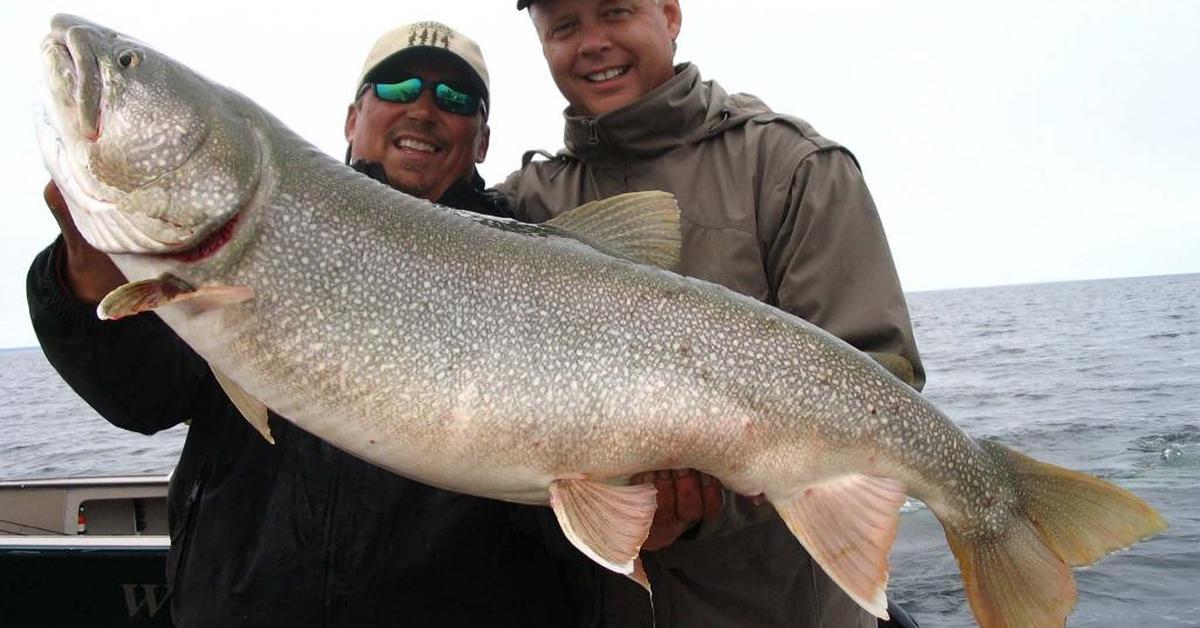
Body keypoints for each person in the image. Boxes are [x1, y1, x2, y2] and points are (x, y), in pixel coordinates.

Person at [27, 21, 585, 628]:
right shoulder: (237, 239)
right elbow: (142, 397)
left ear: (481, 140)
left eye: (454, 99)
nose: (423, 109)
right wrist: (81, 285)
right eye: (397, 87)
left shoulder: (540, 264)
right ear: (352, 118)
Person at [498, 1, 925, 627]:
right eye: (564, 27)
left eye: (614, 11)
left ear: (670, 15)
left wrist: (708, 508)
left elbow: (877, 391)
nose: (591, 43)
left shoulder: (793, 167)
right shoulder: (520, 206)